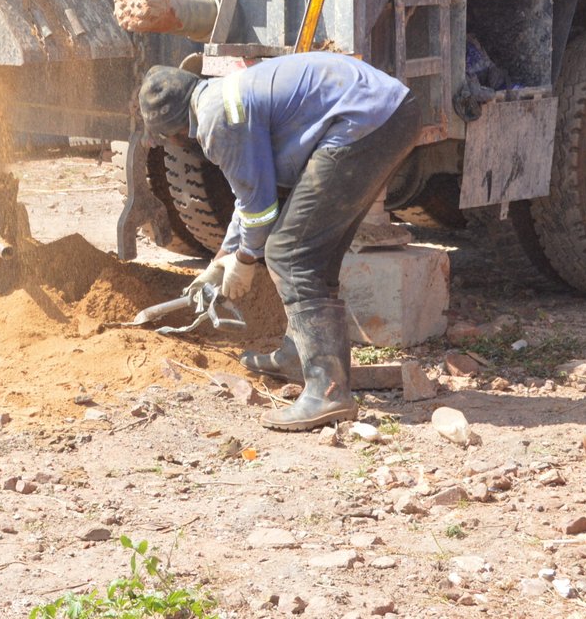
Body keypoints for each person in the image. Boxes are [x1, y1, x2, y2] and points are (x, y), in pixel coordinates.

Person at [137, 52, 421, 431]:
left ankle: (328, 391)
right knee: (313, 252)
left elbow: (258, 206)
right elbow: (251, 193)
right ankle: (298, 357)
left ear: (172, 132)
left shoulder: (215, 120)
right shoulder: (223, 94)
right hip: (388, 112)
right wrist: (221, 259)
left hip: (364, 121)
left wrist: (246, 260)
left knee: (289, 254)